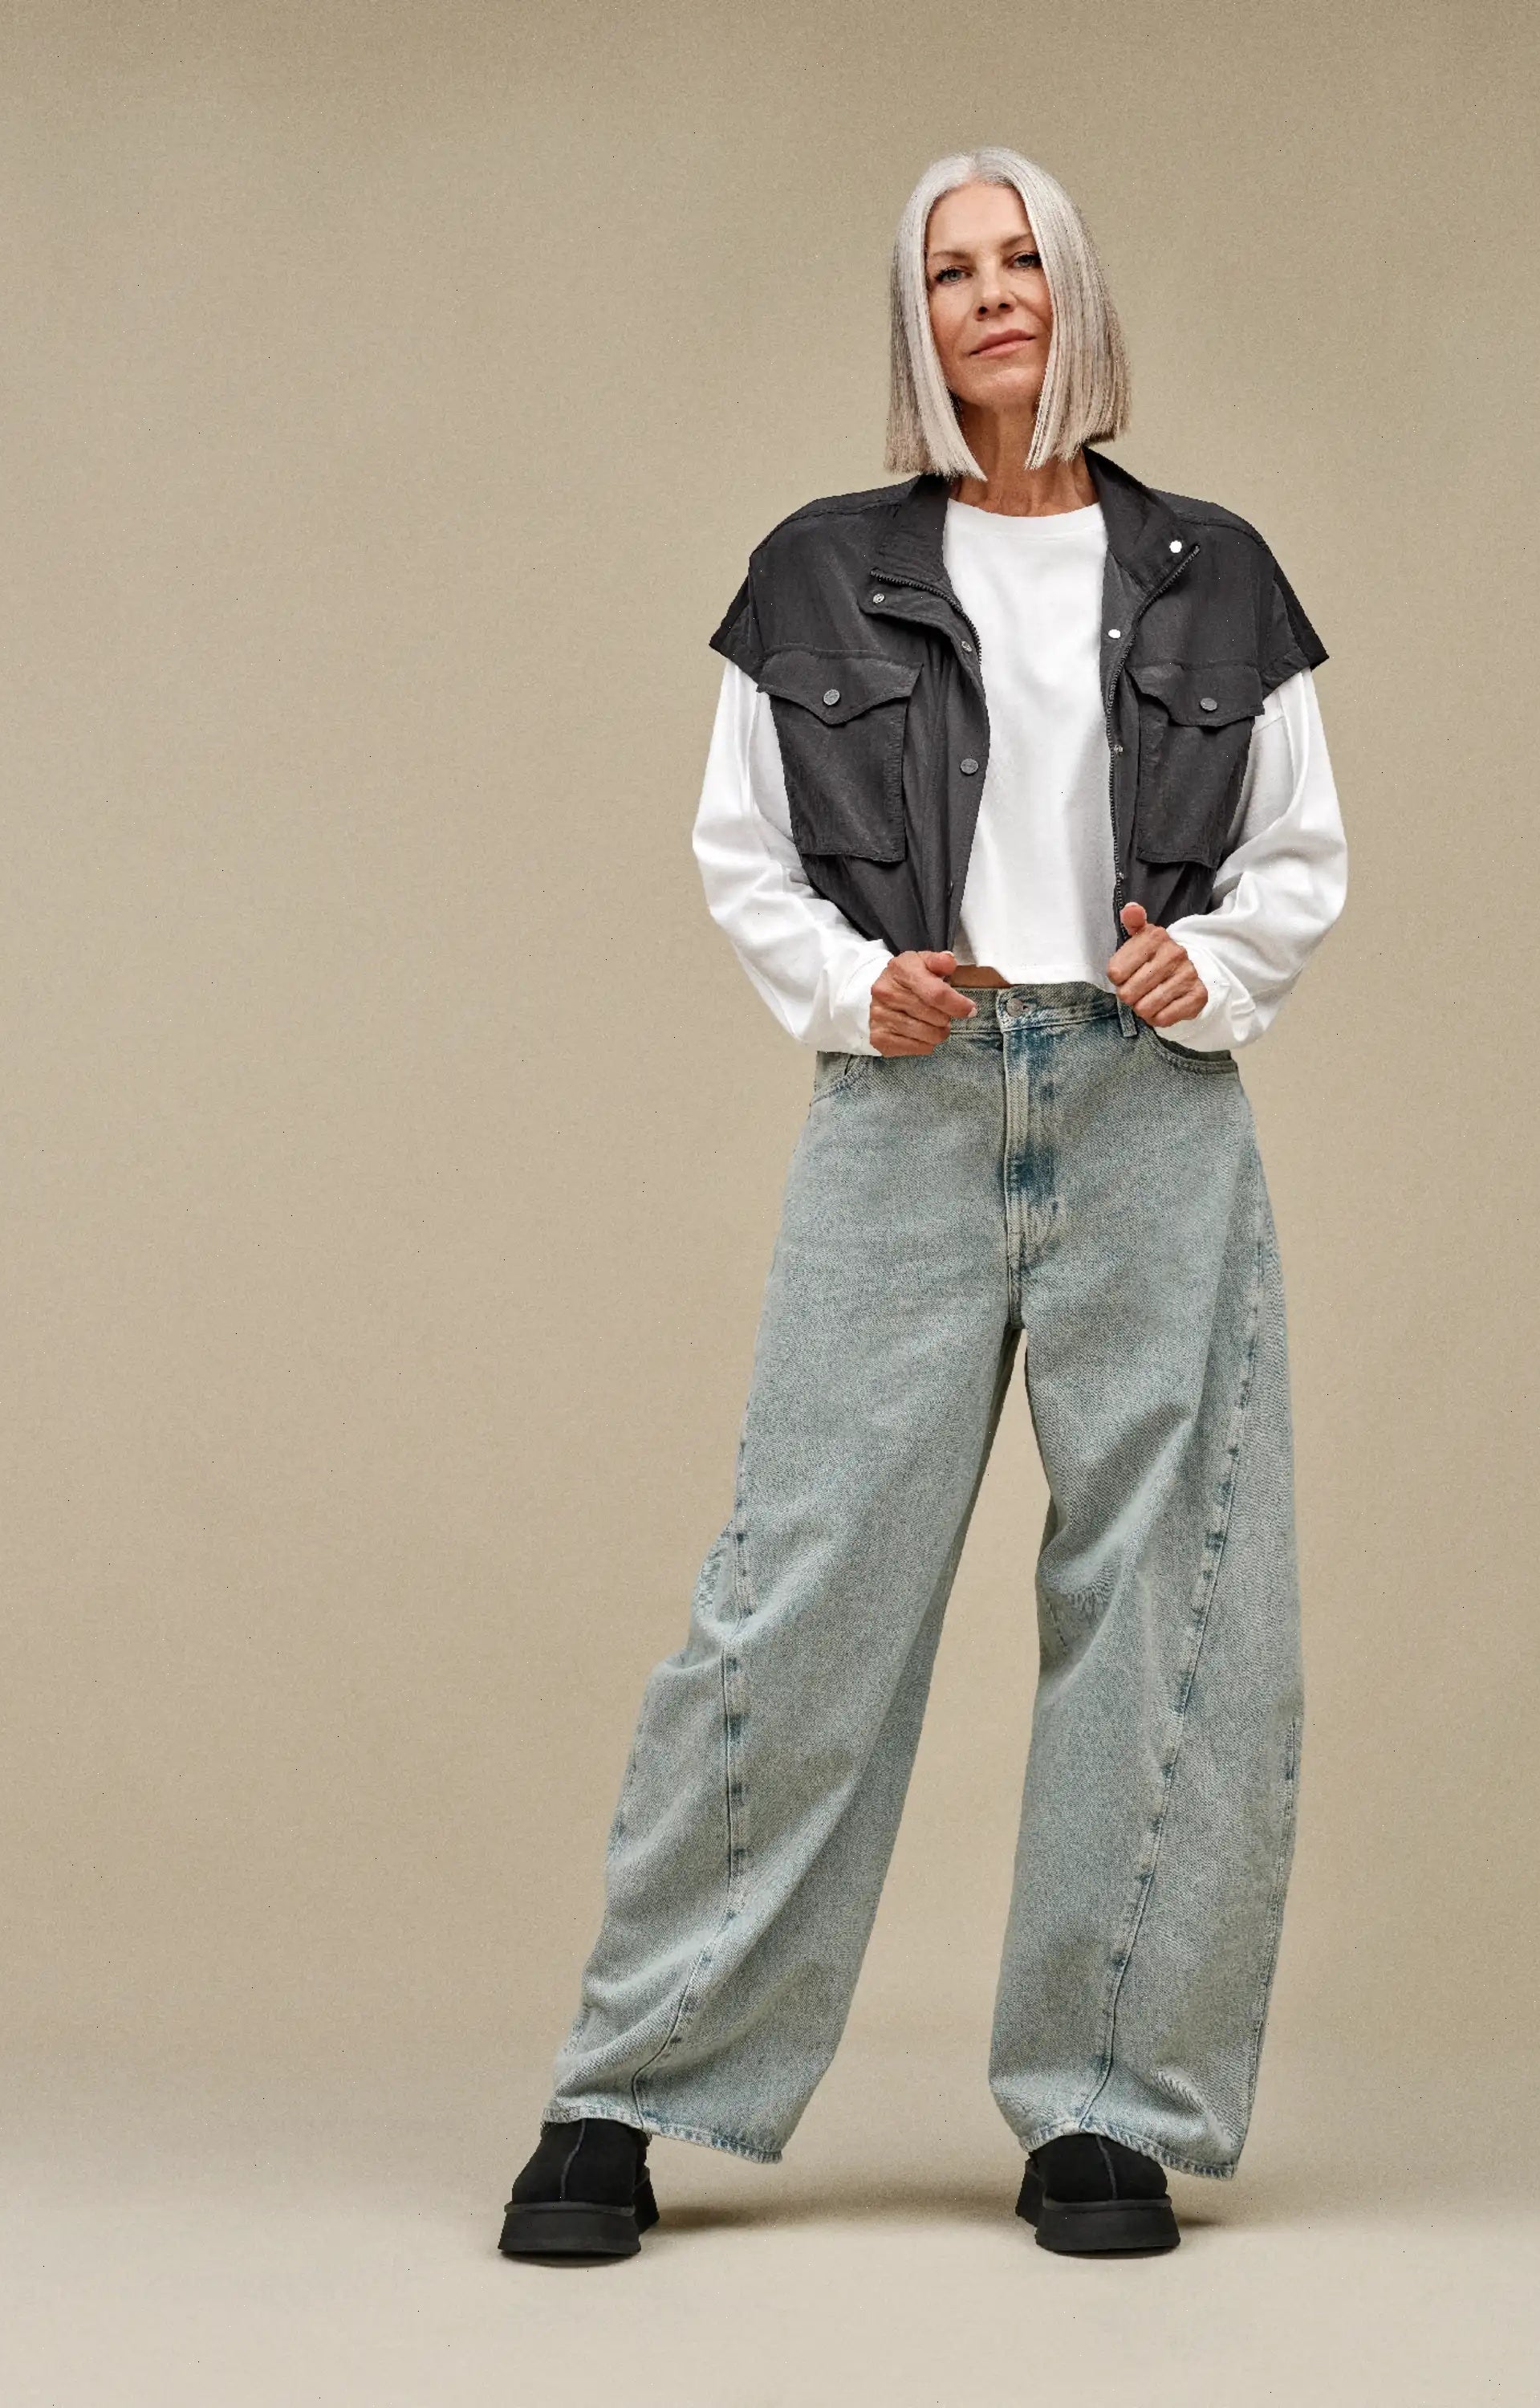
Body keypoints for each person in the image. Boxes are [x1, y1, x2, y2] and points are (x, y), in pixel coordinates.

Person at [499, 144, 1347, 2261]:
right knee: (804, 1583)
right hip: (911, 1094)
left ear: (1076, 290)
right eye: (951, 269)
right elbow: (741, 846)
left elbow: (1299, 852)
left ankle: (1104, 2108)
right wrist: (840, 989)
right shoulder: (816, 573)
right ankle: (634, 2083)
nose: (992, 295)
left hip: (1152, 1100)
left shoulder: (1219, 572)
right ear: (918, 317)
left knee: (1172, 1601)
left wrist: (1217, 968)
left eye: (1021, 258)